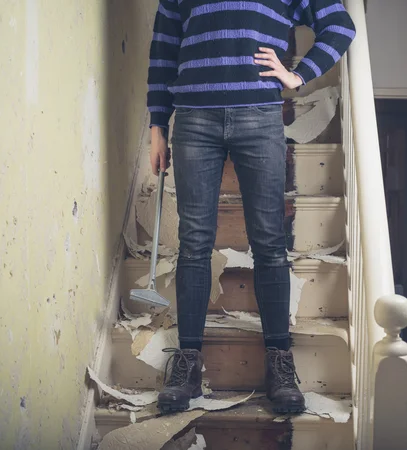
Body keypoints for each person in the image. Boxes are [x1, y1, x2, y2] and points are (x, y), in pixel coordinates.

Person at [147, 0, 355, 414]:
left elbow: (340, 25)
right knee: (193, 244)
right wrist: (157, 124)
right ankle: (188, 363)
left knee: (269, 243)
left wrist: (297, 75)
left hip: (259, 116)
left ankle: (279, 361)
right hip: (193, 120)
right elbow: (164, 49)